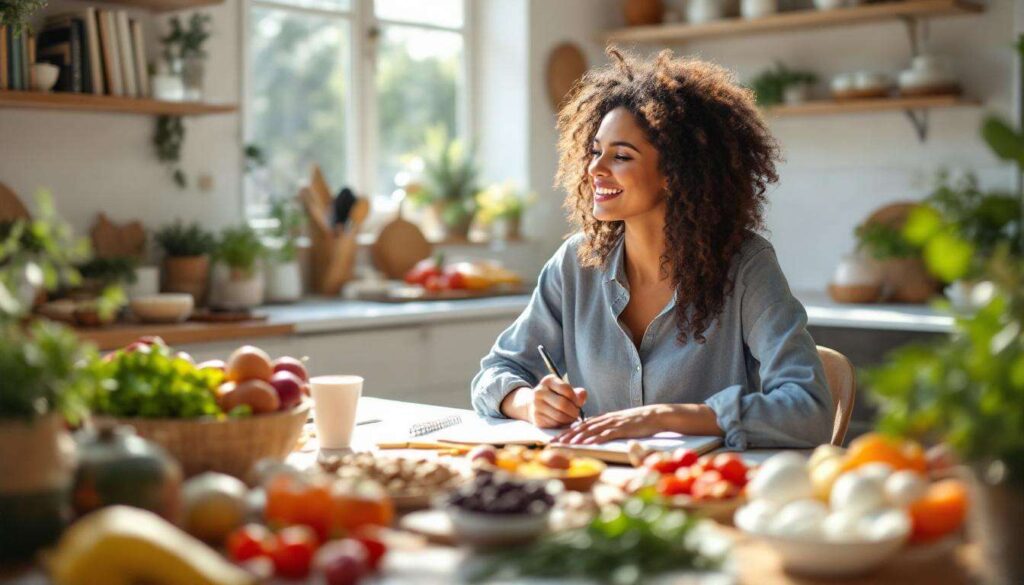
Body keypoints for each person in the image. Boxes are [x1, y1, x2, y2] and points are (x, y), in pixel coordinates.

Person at [470, 48, 833, 450]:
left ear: (675, 174)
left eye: (621, 155)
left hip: (700, 490)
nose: (595, 169)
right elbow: (495, 373)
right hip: (601, 484)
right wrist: (527, 402)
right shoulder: (575, 264)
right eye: (595, 152)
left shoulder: (745, 266)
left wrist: (663, 417)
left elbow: (809, 410)